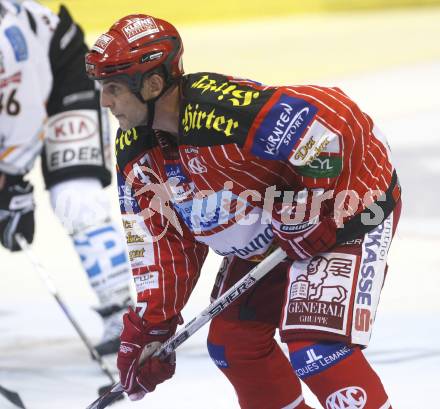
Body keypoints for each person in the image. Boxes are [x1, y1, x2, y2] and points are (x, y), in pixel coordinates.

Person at [85, 14, 402, 409]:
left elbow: (331, 121)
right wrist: (152, 327)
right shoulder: (135, 150)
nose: (104, 101)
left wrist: (314, 205)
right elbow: (161, 242)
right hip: (276, 224)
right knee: (232, 345)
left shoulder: (222, 112)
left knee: (315, 347)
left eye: (112, 88)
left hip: (352, 200)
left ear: (152, 85)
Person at [0, 0, 134, 355]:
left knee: (74, 195)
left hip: (60, 74)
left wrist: (11, 179)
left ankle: (121, 313)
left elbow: (27, 112)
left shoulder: (7, 39)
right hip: (21, 96)